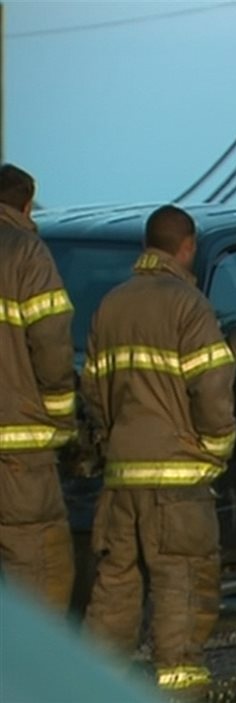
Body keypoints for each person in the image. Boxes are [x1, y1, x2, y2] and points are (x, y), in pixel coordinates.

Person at [82, 205, 236, 698]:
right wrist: (215, 448)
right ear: (186, 246)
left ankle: (95, 685)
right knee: (182, 582)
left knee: (116, 586)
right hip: (178, 480)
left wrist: (112, 444)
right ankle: (180, 689)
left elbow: (93, 391)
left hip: (123, 477)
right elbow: (213, 386)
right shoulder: (188, 306)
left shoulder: (111, 306)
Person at [0, 163, 77, 612]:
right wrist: (61, 416)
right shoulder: (26, 255)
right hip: (19, 451)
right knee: (40, 565)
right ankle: (34, 679)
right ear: (26, 204)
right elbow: (51, 343)